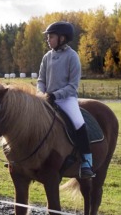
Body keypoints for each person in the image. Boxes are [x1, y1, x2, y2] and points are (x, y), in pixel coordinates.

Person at [37, 21, 95, 179]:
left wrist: (55, 95)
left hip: (66, 99)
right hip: (46, 98)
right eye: (48, 37)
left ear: (62, 38)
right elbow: (41, 80)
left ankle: (86, 162)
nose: (48, 40)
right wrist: (41, 93)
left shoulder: (72, 56)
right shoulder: (47, 57)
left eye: (51, 37)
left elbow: (73, 85)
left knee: (79, 123)